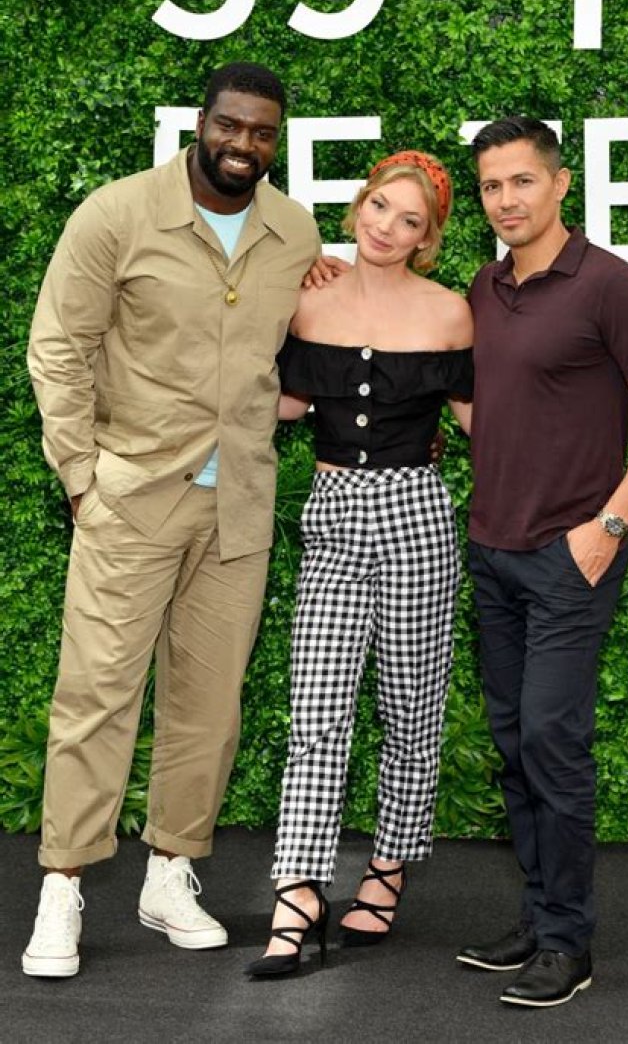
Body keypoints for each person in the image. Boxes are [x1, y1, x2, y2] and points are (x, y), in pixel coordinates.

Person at [23, 62, 321, 977]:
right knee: (97, 697)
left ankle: (168, 875)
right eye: (230, 125)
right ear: (201, 122)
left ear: (276, 140)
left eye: (262, 132)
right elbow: (58, 347)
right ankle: (62, 888)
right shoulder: (117, 215)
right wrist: (82, 478)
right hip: (133, 498)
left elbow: (305, 342)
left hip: (239, 507)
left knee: (209, 706)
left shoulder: (293, 231)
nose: (243, 145)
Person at [455, 117, 628, 1007]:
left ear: (561, 185)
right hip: (493, 551)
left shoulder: (611, 285)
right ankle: (536, 917)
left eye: (522, 181)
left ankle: (568, 943)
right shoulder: (485, 287)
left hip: (570, 558)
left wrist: (608, 528)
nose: (506, 200)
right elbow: (484, 402)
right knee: (515, 744)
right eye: (491, 186)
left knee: (552, 742)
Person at [245, 151, 474, 978]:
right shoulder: (309, 302)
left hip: (417, 515)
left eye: (410, 220)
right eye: (380, 207)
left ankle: (387, 869)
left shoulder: (451, 314)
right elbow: (285, 404)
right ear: (358, 206)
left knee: (412, 709)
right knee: (318, 711)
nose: (388, 227)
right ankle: (299, 889)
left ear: (427, 238)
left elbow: (483, 423)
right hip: (334, 513)